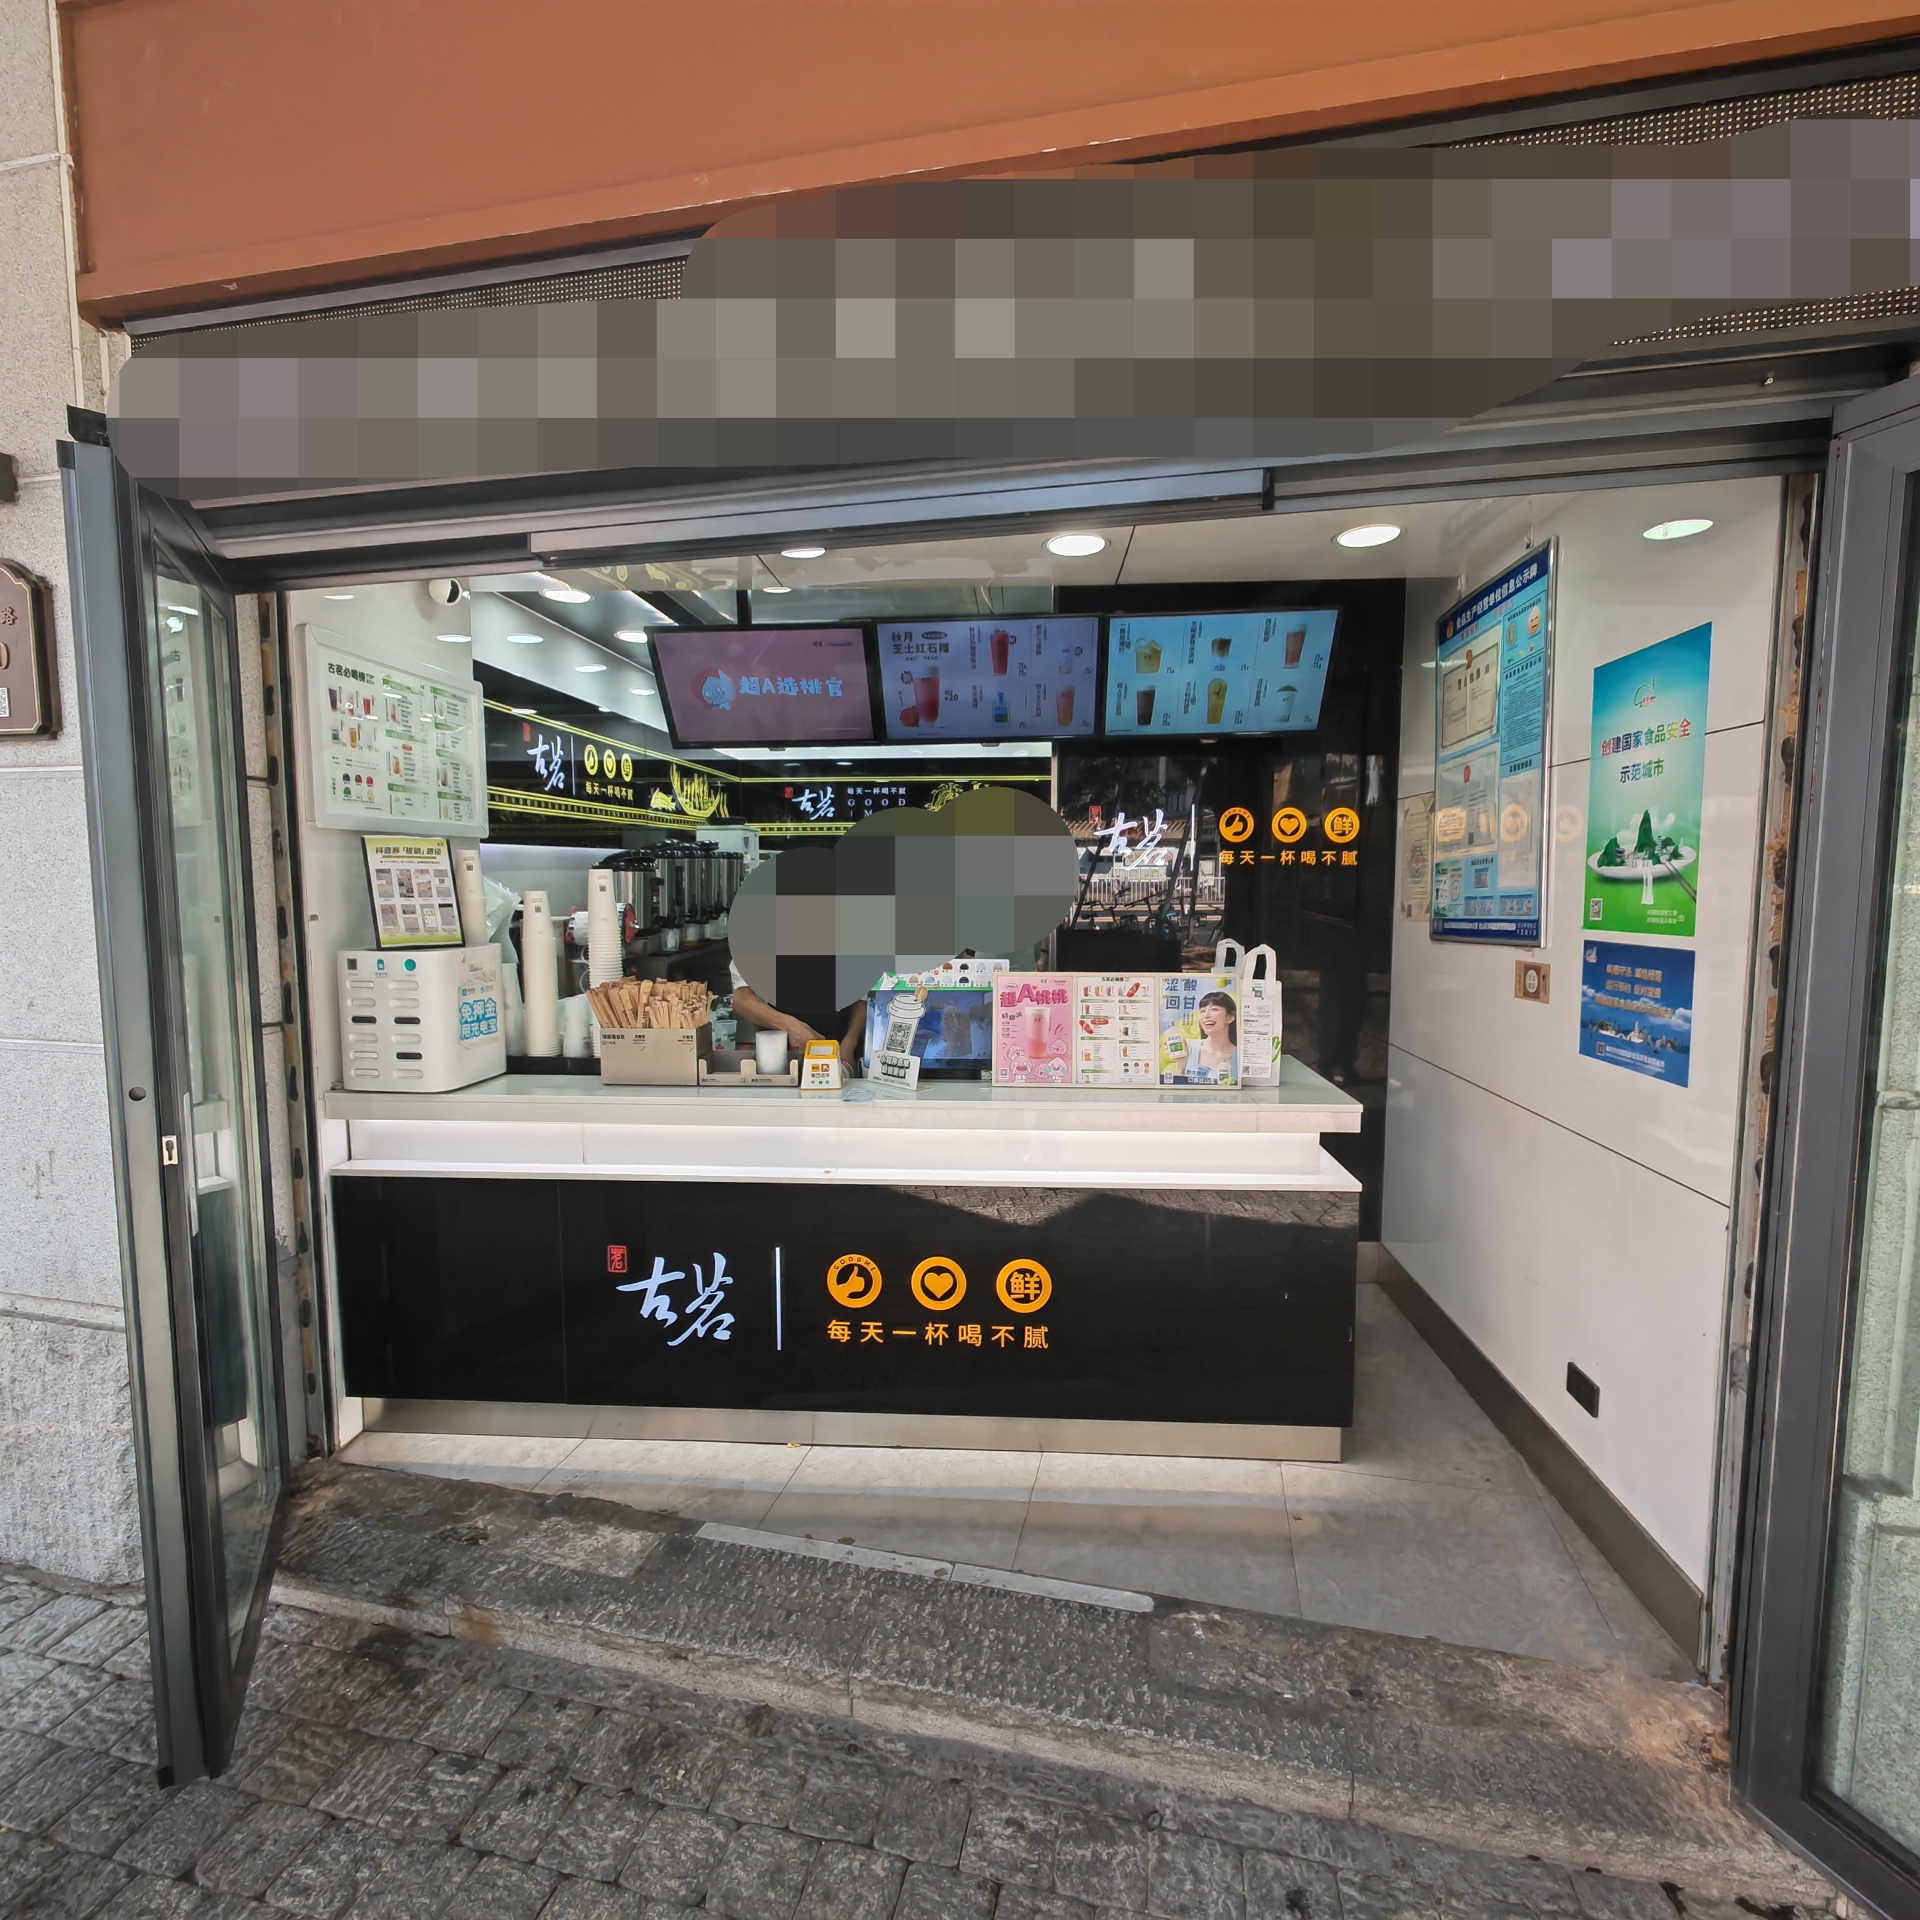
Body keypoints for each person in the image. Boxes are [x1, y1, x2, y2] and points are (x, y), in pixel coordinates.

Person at [727, 961, 868, 1067]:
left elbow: (862, 996)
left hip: (839, 1043)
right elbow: (742, 999)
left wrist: (851, 1040)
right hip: (780, 1052)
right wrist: (789, 1026)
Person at [1189, 990, 1238, 1082]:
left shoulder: (1240, 1056)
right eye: (1202, 1011)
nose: (1206, 1015)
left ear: (1230, 1018)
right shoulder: (1189, 1048)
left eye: (1214, 1009)